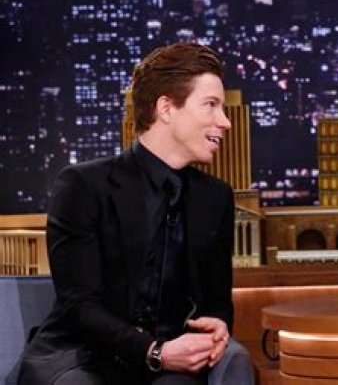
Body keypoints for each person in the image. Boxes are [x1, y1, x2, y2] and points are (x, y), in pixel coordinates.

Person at [19, 42, 253, 384]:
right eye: (211, 105)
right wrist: (153, 351)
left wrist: (217, 325)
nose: (225, 122)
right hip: (85, 355)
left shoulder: (215, 198)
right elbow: (80, 306)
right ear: (166, 108)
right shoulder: (83, 186)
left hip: (170, 363)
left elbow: (216, 303)